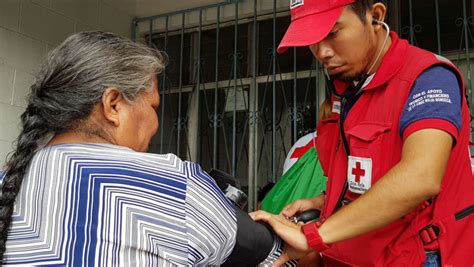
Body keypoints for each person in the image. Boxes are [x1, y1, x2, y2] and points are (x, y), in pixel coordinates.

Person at [0, 31, 294, 266]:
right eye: (153, 106)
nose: (155, 123)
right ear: (113, 104)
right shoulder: (172, 185)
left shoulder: (7, 184)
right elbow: (281, 259)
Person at [251, 0, 474, 266]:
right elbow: (362, 177)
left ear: (376, 16)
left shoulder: (428, 77)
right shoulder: (347, 91)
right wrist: (322, 201)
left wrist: (315, 236)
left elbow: (421, 176)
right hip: (350, 254)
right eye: (311, 40)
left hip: (414, 257)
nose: (321, 52)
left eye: (332, 33)